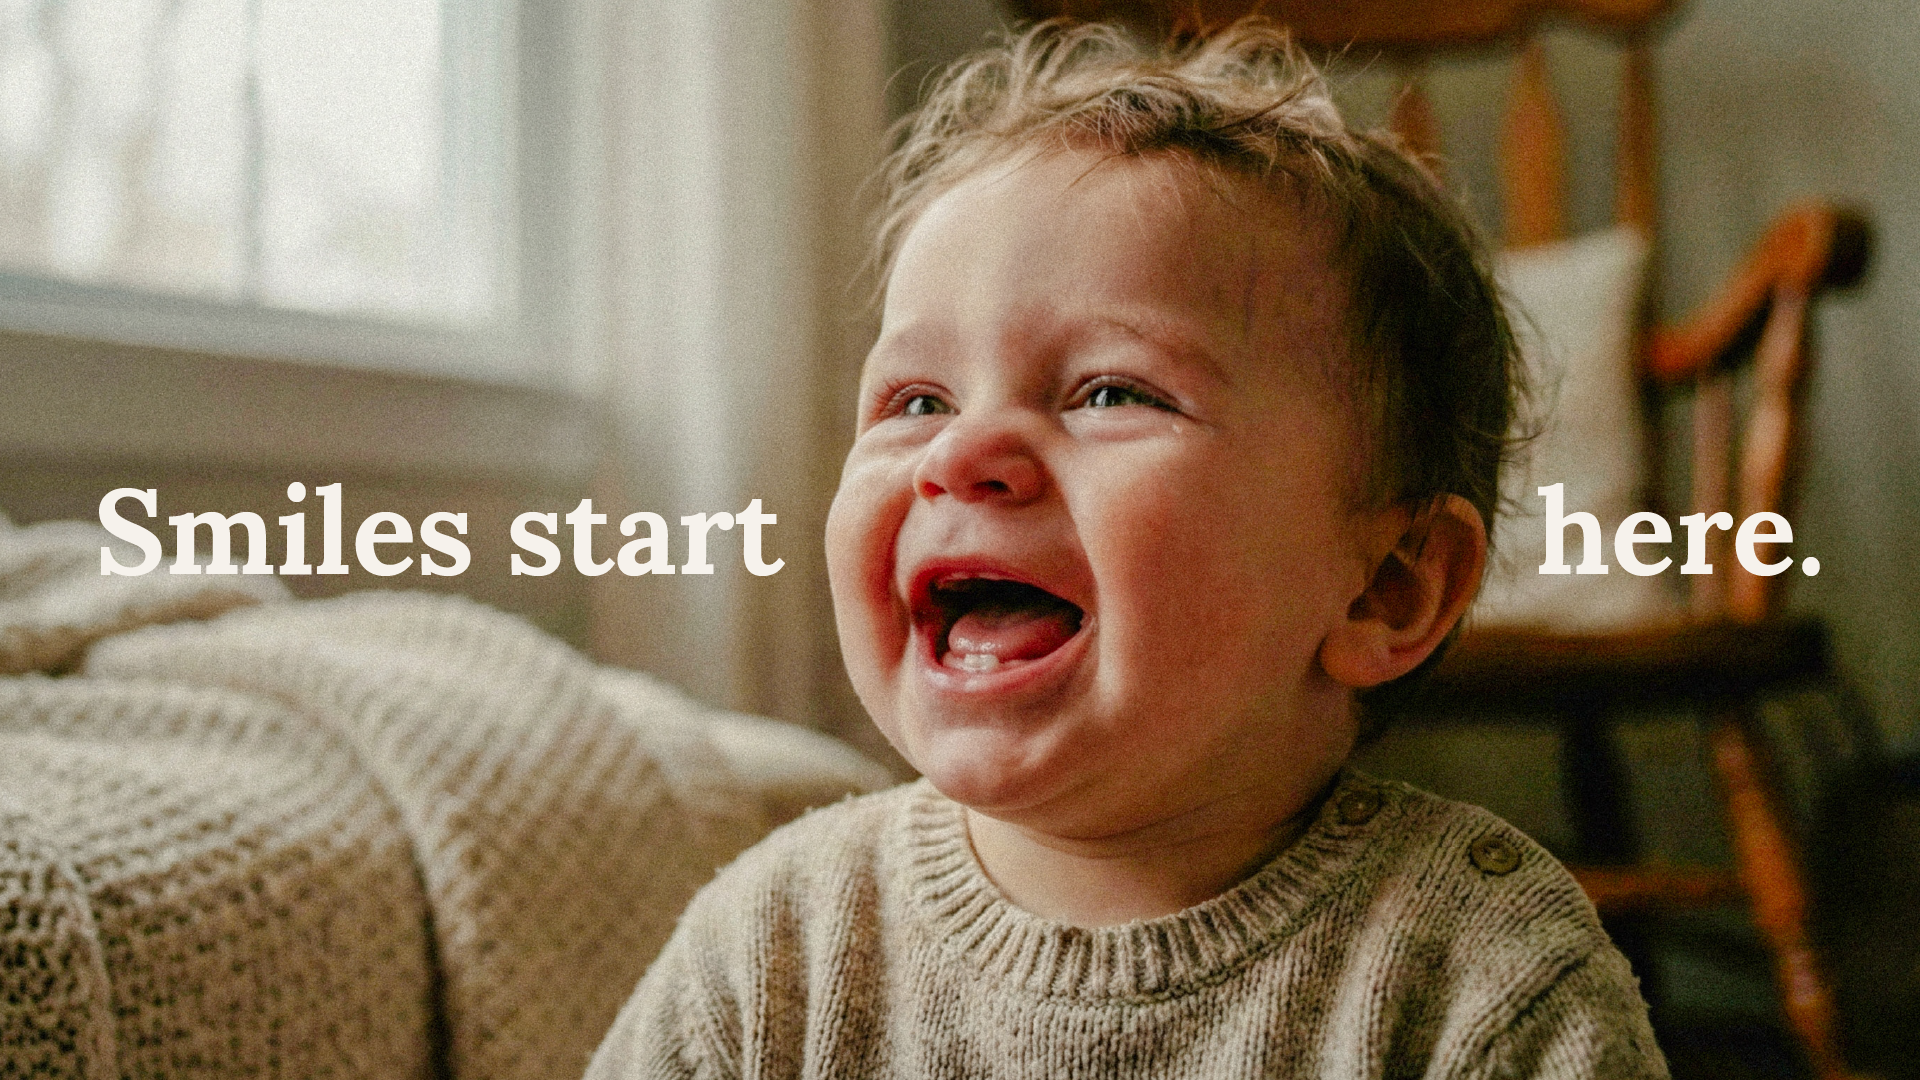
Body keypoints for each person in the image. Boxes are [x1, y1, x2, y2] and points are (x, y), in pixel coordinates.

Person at [587, 19, 1668, 1078]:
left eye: (1110, 390)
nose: (963, 453)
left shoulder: (1479, 981)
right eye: (918, 398)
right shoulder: (777, 949)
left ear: (1385, 587)